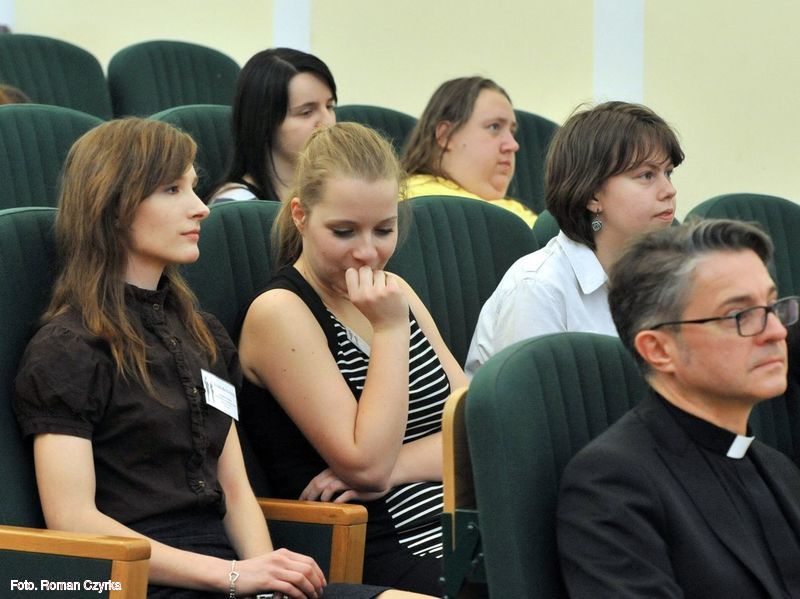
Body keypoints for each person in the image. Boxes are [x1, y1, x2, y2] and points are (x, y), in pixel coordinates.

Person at [13, 117, 430, 599]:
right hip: (143, 583)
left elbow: (235, 491)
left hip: (229, 579)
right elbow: (72, 521)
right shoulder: (68, 347)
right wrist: (233, 576)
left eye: (194, 187)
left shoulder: (200, 334)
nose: (200, 207)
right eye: (173, 190)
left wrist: (267, 581)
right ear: (114, 206)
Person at [238, 122, 469, 595]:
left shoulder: (395, 290)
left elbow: (472, 427)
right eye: (344, 232)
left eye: (384, 229)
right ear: (300, 215)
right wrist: (389, 331)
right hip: (375, 544)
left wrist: (400, 467)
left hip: (459, 524)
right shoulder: (281, 312)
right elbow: (367, 465)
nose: (368, 253)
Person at [557, 219, 800, 598]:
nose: (777, 332)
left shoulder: (778, 469)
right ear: (659, 349)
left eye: (771, 306)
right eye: (739, 315)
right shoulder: (612, 485)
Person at [465, 101, 683, 376]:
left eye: (668, 173)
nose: (669, 190)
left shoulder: (665, 278)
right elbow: (534, 398)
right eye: (646, 175)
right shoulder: (538, 288)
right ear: (592, 195)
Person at [401, 76, 536, 227]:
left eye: (512, 132)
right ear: (445, 135)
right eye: (494, 127)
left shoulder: (515, 209)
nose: (513, 145)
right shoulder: (418, 203)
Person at [210, 47, 337, 204]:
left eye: (329, 106)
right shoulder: (237, 204)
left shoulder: (337, 192)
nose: (328, 122)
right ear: (264, 122)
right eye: (306, 112)